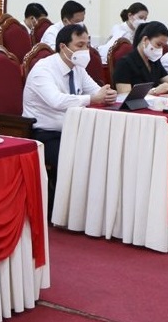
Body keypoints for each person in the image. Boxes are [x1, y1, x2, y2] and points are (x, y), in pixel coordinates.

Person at [23, 24, 117, 213]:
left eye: (87, 45)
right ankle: (62, 211)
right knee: (75, 160)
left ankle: (94, 211)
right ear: (63, 47)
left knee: (107, 152)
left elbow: (96, 91)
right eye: (79, 45)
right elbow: (56, 100)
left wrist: (108, 94)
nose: (85, 50)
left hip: (75, 130)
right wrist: (92, 98)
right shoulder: (43, 69)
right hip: (46, 134)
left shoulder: (77, 69)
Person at [110, 21, 168, 94]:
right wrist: (155, 91)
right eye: (158, 44)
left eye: (162, 46)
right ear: (145, 39)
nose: (160, 49)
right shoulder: (124, 63)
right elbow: (124, 94)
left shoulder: (154, 61)